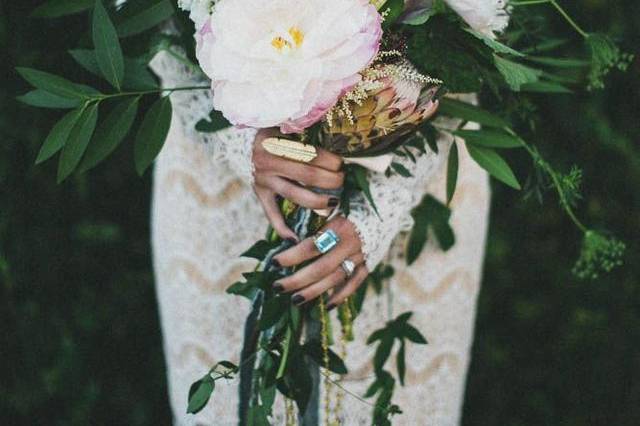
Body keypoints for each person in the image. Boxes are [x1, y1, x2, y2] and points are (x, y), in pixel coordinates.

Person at [150, 1, 509, 423]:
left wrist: (375, 217)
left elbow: (469, 36)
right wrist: (241, 137)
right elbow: (153, 26)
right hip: (221, 183)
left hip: (417, 174)